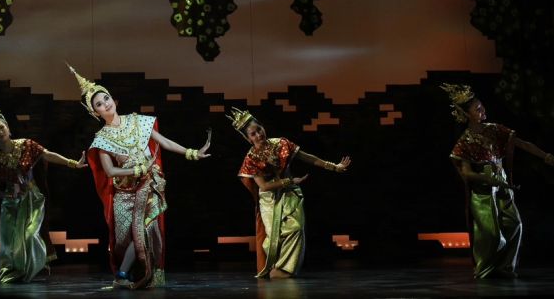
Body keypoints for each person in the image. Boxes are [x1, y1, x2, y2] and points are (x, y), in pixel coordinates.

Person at [70, 65, 211, 290]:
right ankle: (124, 274)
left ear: (113, 100)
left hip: (149, 187)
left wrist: (191, 153)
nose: (105, 104)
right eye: (99, 104)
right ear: (95, 112)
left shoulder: (138, 121)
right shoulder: (101, 139)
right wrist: (135, 170)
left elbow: (163, 142)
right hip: (125, 194)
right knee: (125, 240)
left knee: (146, 229)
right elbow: (110, 172)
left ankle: (126, 275)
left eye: (106, 98)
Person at [441, 83, 554, 279]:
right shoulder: (464, 142)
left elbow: (523, 144)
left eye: (482, 106)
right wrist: (484, 177)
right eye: (477, 109)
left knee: (515, 224)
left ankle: (505, 267)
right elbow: (466, 172)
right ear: (466, 114)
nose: (482, 110)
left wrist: (553, 159)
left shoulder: (494, 130)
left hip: (501, 181)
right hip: (483, 189)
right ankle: (484, 270)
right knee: (492, 235)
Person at [227, 107, 350, 278]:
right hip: (269, 199)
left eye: (259, 130)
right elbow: (264, 186)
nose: (259, 135)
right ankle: (274, 267)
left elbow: (308, 157)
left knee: (296, 228)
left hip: (290, 193)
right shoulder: (251, 158)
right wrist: (289, 181)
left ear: (263, 127)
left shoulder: (282, 144)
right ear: (248, 138)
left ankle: (285, 270)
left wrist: (334, 166)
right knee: (275, 237)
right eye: (253, 134)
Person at [0, 106, 86, 283]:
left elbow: (47, 155)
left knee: (30, 234)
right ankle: (15, 270)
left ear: (7, 127)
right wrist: (7, 196)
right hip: (11, 204)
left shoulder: (26, 145)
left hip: (32, 199)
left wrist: (73, 163)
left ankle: (36, 266)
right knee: (10, 243)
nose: (0, 132)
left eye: (1, 127)